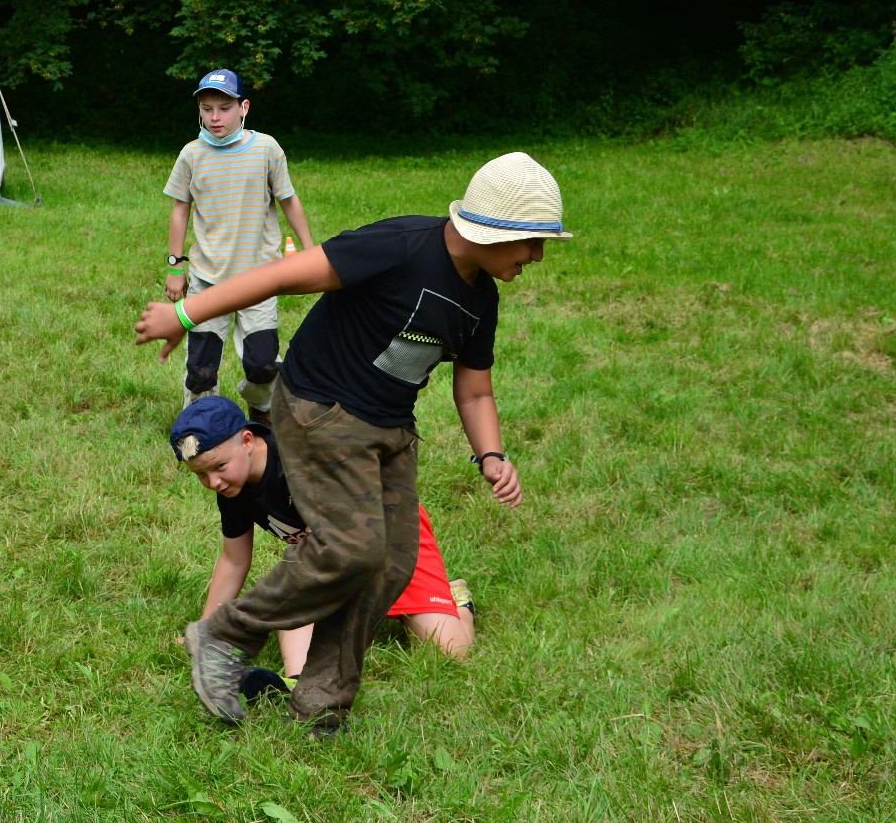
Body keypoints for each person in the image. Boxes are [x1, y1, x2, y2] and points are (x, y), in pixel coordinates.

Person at [135, 151, 570, 734]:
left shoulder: (480, 299)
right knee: (352, 548)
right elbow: (280, 275)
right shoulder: (400, 247)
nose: (537, 256)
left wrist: (491, 455)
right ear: (493, 230)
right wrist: (185, 315)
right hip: (322, 404)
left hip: (391, 428)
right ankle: (225, 634)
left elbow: (474, 391)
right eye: (532, 242)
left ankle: (320, 703)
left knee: (390, 565)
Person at [170, 396, 474, 693]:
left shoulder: (297, 458)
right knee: (295, 587)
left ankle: (456, 599)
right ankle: (297, 680)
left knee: (451, 652)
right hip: (331, 558)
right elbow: (234, 560)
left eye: (219, 466)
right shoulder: (232, 489)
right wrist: (208, 631)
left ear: (247, 441)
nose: (213, 482)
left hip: (391, 536)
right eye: (201, 475)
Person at [163, 69, 314, 423]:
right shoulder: (191, 155)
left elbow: (289, 200)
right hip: (207, 280)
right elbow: (180, 210)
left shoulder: (266, 149)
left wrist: (310, 252)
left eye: (224, 108)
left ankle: (263, 413)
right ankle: (200, 426)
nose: (215, 117)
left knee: (262, 364)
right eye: (207, 109)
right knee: (201, 368)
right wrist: (175, 266)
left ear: (243, 107)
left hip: (259, 278)